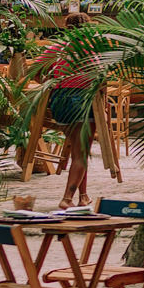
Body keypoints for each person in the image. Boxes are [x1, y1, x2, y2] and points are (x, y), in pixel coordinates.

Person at [37, 15, 98, 208]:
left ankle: (84, 196)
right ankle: (67, 199)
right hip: (81, 100)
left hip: (60, 102)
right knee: (81, 154)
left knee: (79, 152)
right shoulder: (91, 48)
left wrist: (52, 83)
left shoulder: (57, 49)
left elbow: (35, 71)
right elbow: (100, 76)